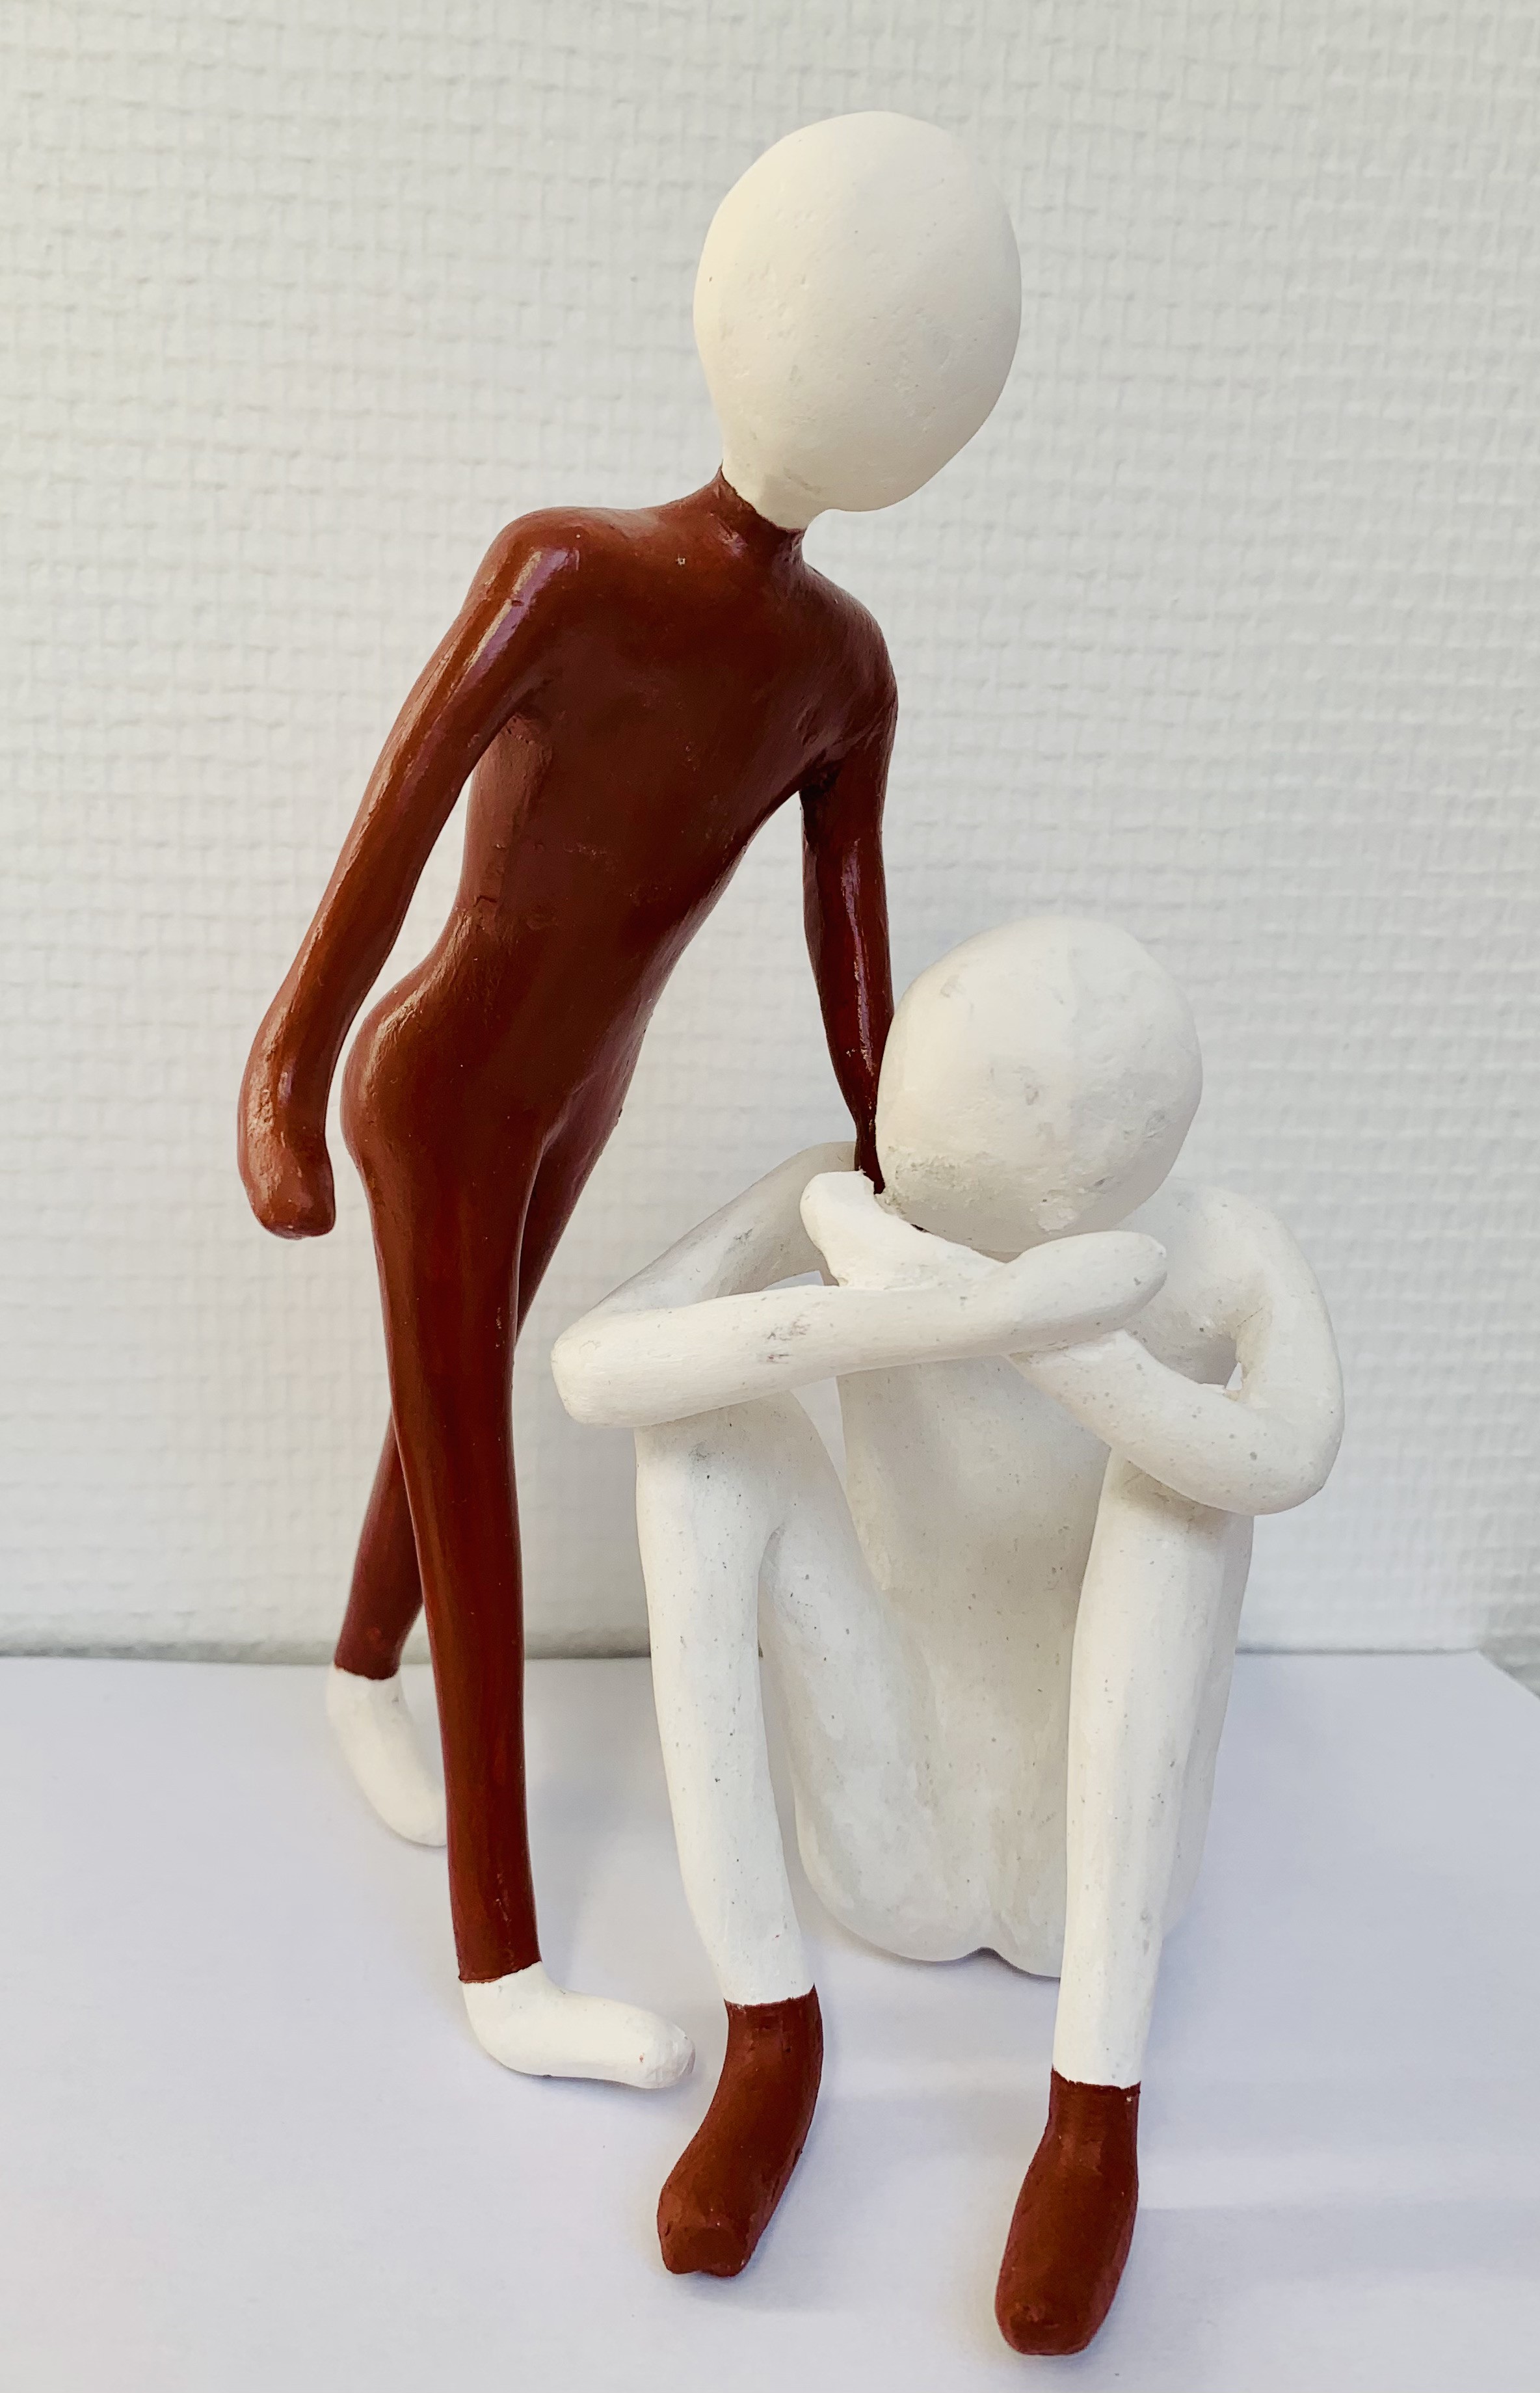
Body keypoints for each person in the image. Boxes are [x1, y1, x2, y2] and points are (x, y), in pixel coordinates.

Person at [235, 114, 1021, 2087]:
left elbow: (852, 952)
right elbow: (391, 837)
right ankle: (501, 1965)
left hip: (575, 1101)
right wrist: (288, 1072)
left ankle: (358, 1671)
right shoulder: (565, 571)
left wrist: (899, 1160)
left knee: (454, 1398)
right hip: (440, 1093)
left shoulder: (844, 671)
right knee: (476, 1473)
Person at [551, 915, 1344, 2353]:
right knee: (698, 1449)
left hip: (1084, 1879)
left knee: (1178, 1501)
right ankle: (768, 2029)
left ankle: (1092, 2115)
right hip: (888, 1832)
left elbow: (1285, 1453)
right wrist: (951, 1314)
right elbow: (596, 1366)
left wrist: (1071, 1343)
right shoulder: (843, 1203)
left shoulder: (1213, 1243)